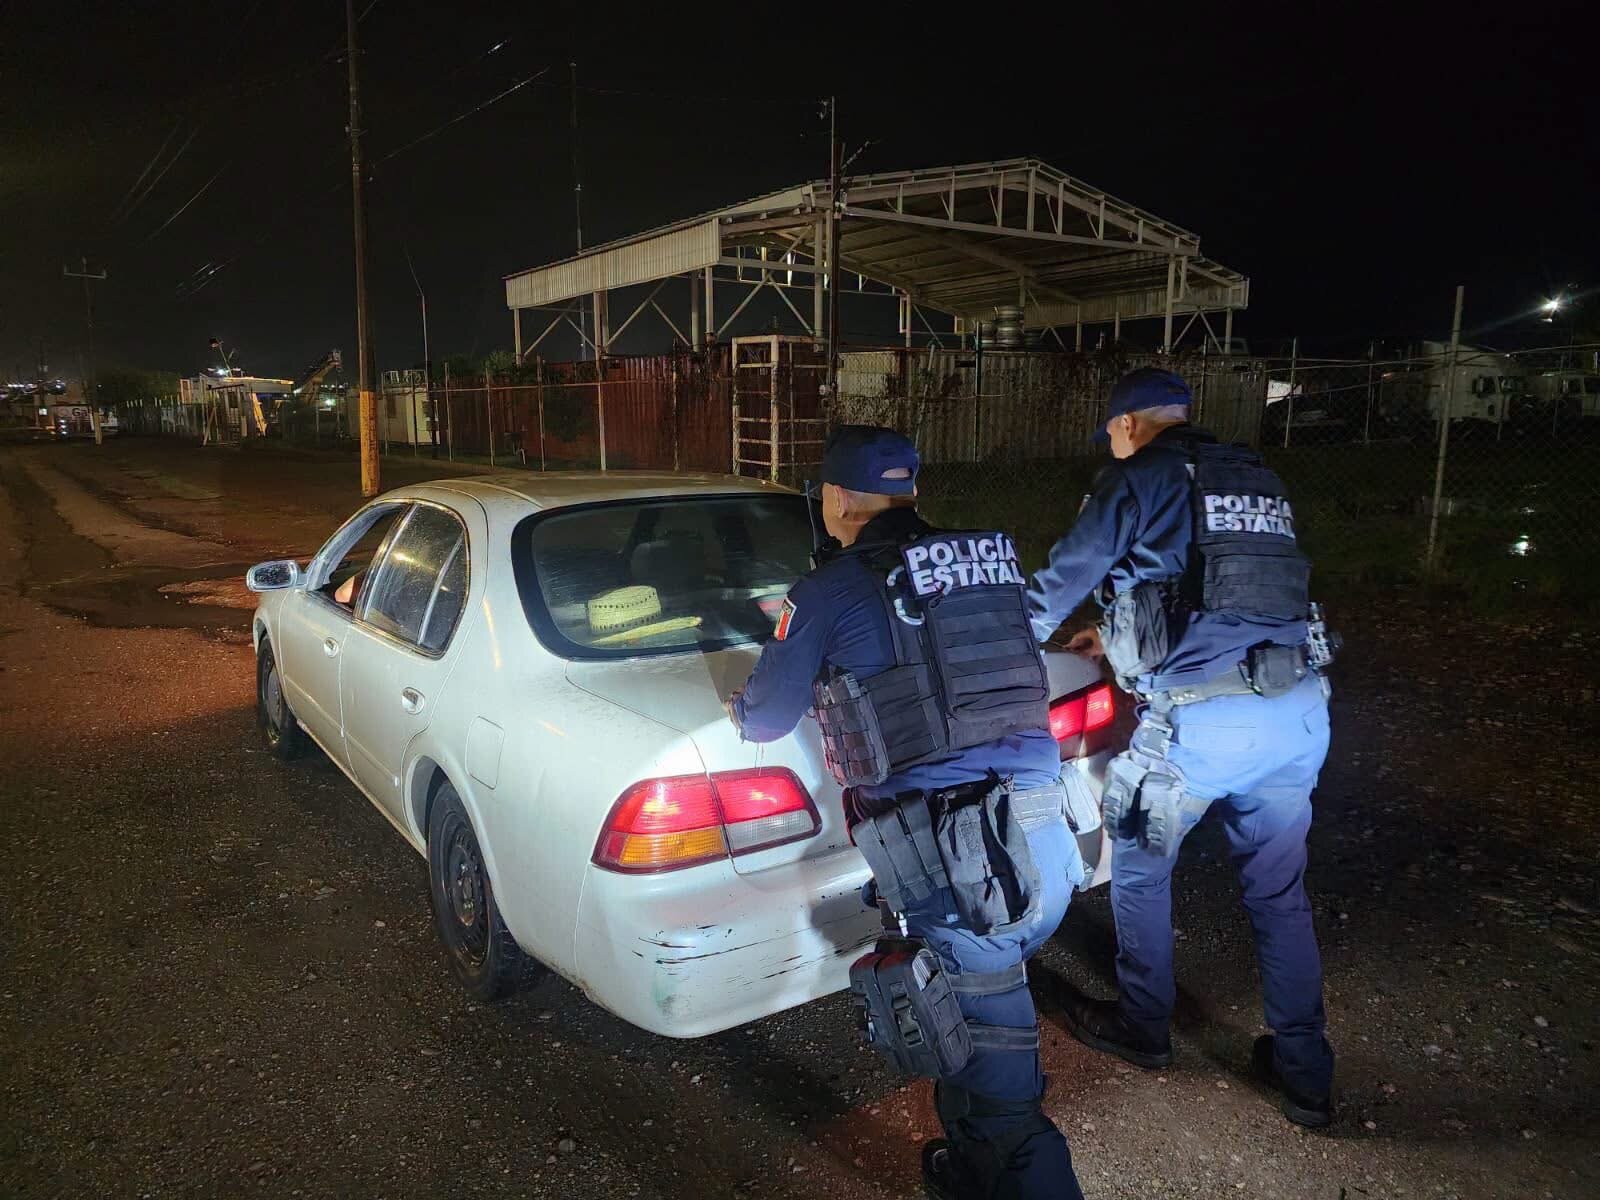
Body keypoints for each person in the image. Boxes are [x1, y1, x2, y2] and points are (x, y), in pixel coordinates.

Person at [728, 425, 1087, 1200]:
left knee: (1006, 1101)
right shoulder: (987, 566)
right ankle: (973, 1170)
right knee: (964, 1025)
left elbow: (766, 717)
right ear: (910, 492)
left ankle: (1013, 1165)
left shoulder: (828, 588)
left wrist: (744, 700)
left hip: (968, 872)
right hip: (1043, 840)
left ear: (836, 499)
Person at [1027, 367, 1336, 1128]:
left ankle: (1142, 1026)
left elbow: (1057, 584)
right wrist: (1117, 634)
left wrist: (989, 647)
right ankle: (1305, 1074)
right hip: (1297, 710)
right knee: (1278, 892)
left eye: (1111, 431)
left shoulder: (1137, 477)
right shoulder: (1254, 476)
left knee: (1139, 867)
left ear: (1128, 424)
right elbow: (1222, 588)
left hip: (1201, 726)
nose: (1111, 442)